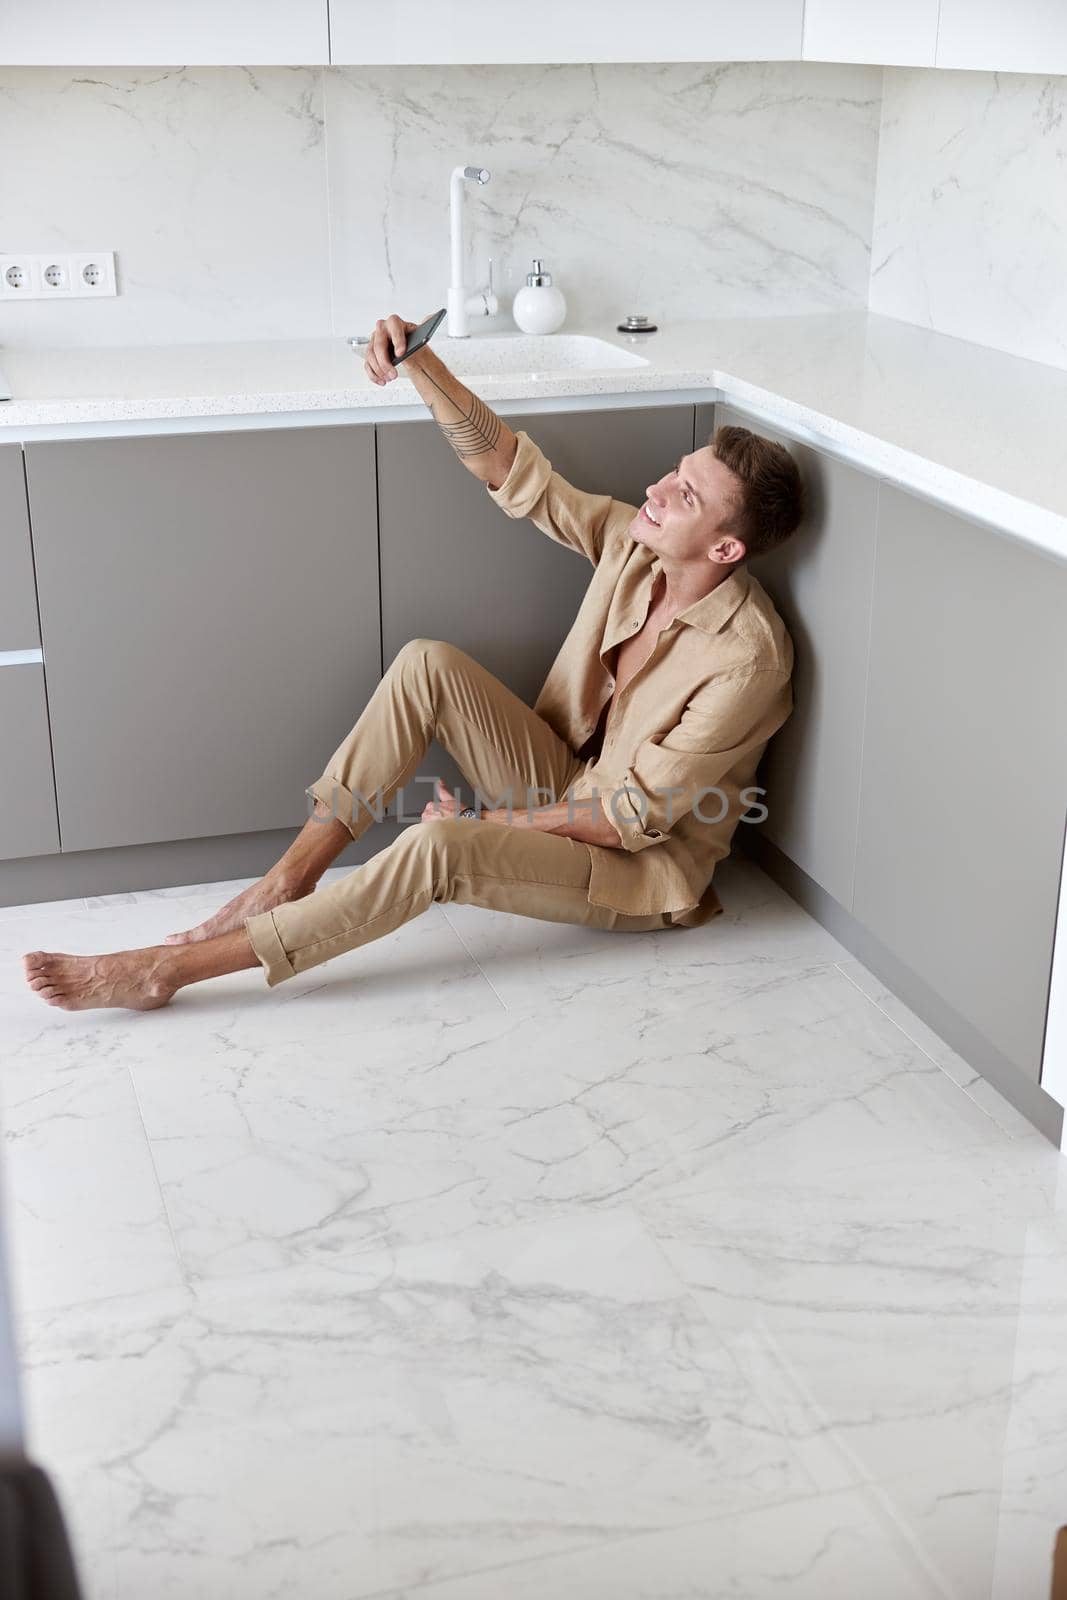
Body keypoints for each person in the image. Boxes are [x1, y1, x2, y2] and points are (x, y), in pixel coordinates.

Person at [22, 313, 804, 1012]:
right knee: (426, 663)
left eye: (686, 496)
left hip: (640, 866)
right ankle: (286, 881)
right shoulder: (636, 548)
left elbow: (630, 819)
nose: (656, 490)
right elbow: (515, 475)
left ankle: (172, 970)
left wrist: (487, 821)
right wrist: (420, 363)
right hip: (565, 779)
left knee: (437, 847)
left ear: (725, 549)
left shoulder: (747, 662)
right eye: (673, 471)